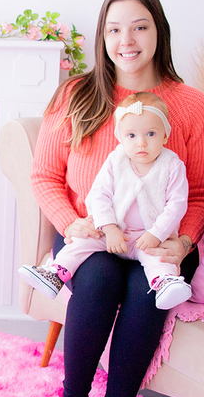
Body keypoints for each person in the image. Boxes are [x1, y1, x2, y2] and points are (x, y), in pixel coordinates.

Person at [30, 0, 204, 397]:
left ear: (159, 32)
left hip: (159, 237)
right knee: (100, 278)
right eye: (114, 29)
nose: (126, 39)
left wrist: (182, 242)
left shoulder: (190, 104)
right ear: (102, 36)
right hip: (89, 233)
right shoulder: (76, 94)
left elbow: (196, 195)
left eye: (139, 26)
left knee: (146, 290)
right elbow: (44, 176)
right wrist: (75, 225)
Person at [18, 92, 193, 311]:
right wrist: (109, 228)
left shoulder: (172, 166)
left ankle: (165, 284)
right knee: (81, 242)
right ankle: (56, 274)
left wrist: (156, 233)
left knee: (159, 258)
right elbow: (99, 195)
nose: (141, 143)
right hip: (112, 233)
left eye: (150, 134)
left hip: (147, 237)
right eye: (131, 135)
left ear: (165, 135)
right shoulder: (115, 160)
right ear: (120, 136)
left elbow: (176, 205)